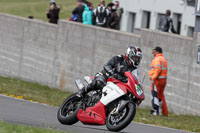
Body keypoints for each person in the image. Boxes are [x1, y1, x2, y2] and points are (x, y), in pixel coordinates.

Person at [78, 46, 143, 97]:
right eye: (135, 58)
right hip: (105, 76)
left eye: (138, 58)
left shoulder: (134, 70)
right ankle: (82, 92)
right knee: (99, 83)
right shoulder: (119, 58)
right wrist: (113, 73)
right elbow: (106, 66)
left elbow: (135, 80)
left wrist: (138, 86)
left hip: (116, 84)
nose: (137, 60)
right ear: (129, 54)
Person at [148, 47, 168, 116]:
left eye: (154, 51)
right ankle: (165, 113)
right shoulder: (163, 59)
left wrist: (153, 79)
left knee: (155, 95)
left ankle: (155, 111)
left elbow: (157, 70)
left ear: (158, 52)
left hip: (157, 80)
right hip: (163, 81)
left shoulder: (157, 59)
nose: (153, 53)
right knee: (161, 96)